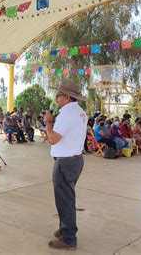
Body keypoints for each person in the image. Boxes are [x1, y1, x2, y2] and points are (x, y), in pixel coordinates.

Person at [43, 79, 87, 250]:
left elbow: (53, 139)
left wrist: (48, 122)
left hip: (65, 163)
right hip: (76, 160)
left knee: (65, 200)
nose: (56, 98)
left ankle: (68, 238)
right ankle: (65, 229)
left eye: (58, 95)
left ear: (67, 97)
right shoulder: (80, 112)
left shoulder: (66, 114)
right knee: (67, 197)